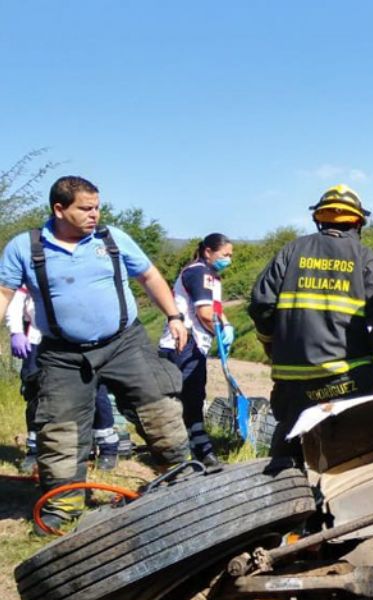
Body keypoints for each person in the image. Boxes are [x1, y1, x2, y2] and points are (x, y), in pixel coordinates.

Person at [0, 176, 190, 532]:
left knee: (159, 409)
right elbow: (4, 293)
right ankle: (63, 506)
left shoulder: (112, 239)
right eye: (85, 208)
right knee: (60, 428)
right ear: (59, 209)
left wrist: (174, 317)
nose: (95, 214)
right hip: (62, 355)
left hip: (124, 343)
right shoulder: (25, 247)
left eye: (97, 207)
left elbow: (149, 276)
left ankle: (182, 481)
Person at [249, 184, 373, 463]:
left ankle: (278, 485)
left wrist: (269, 343)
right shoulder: (366, 258)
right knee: (351, 453)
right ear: (358, 223)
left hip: (291, 379)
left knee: (287, 448)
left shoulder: (291, 251)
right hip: (346, 379)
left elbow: (261, 304)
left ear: (319, 219)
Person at [7, 287, 122, 472]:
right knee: (35, 392)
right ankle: (35, 450)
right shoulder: (32, 270)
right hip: (38, 339)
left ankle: (107, 446)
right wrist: (16, 332)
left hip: (82, 338)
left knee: (94, 389)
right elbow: (15, 300)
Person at [159, 233, 235, 468]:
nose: (229, 259)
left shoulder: (210, 275)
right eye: (225, 254)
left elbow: (215, 309)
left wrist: (226, 325)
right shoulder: (199, 272)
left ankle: (191, 447)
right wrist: (219, 332)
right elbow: (204, 314)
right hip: (184, 342)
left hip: (192, 342)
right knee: (191, 398)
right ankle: (199, 451)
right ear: (208, 251)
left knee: (191, 396)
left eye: (231, 255)